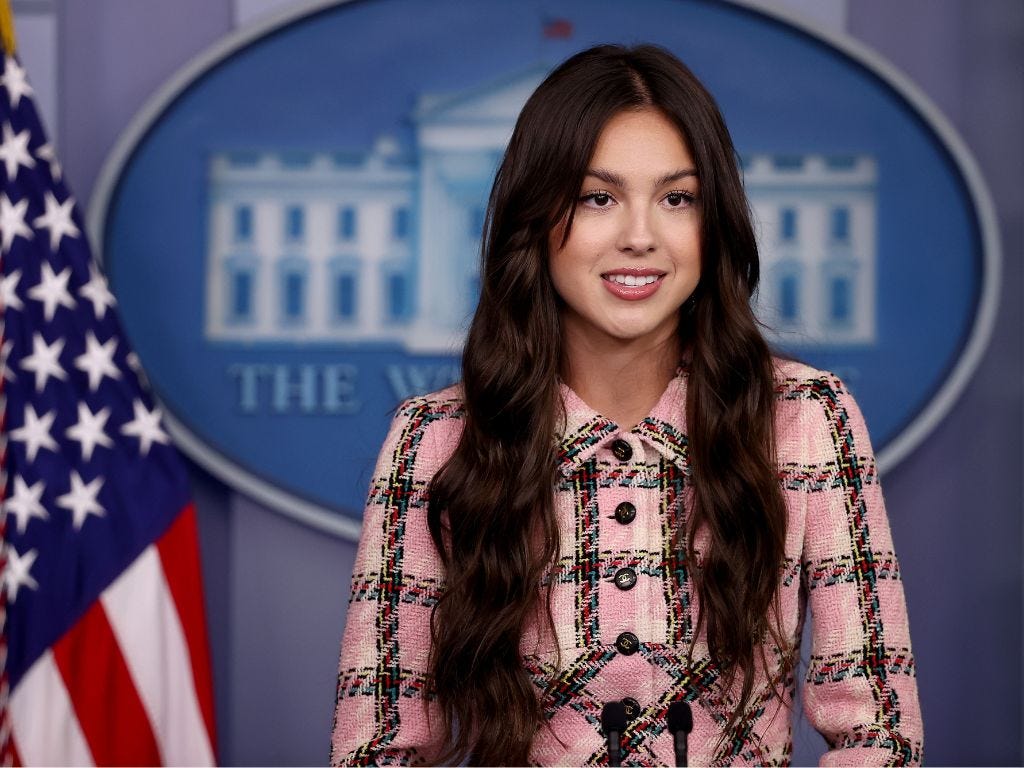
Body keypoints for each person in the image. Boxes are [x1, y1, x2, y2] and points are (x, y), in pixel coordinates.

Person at [329, 44, 923, 766]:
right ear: (535, 219)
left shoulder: (807, 420)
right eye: (597, 197)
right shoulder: (434, 438)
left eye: (678, 198)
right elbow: (377, 747)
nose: (640, 237)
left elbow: (879, 734)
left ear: (715, 223)